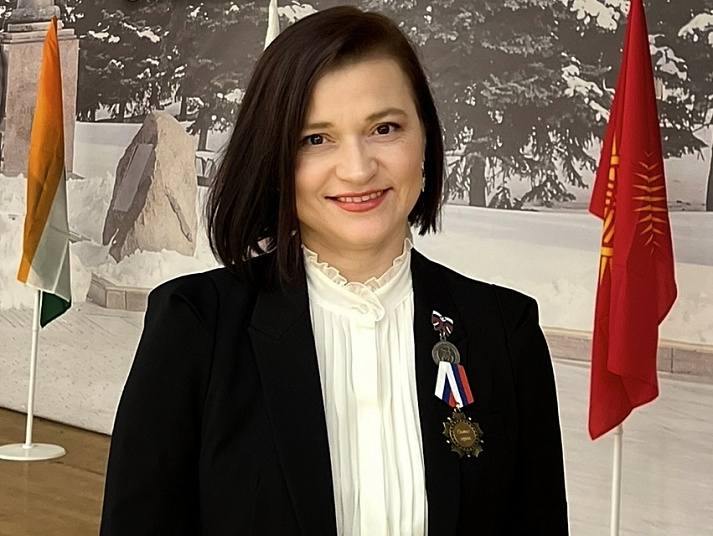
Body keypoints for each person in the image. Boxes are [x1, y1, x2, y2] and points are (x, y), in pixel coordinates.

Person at [100, 6, 568, 536]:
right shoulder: (194, 326)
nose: (358, 168)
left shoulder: (504, 332)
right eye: (316, 139)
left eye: (385, 128)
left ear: (426, 138)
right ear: (275, 157)